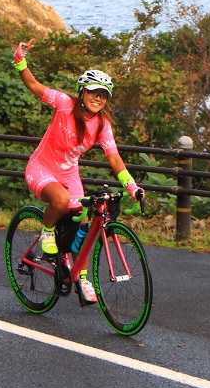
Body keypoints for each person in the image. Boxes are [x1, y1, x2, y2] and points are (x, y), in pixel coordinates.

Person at [13, 40, 144, 305]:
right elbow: (34, 85)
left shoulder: (102, 124)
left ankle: (80, 273)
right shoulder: (63, 104)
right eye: (94, 92)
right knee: (60, 201)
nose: (98, 98)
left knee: (84, 221)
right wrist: (20, 60)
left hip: (69, 174)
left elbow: (114, 158)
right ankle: (47, 230)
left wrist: (132, 186)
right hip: (41, 168)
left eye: (104, 94)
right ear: (82, 92)